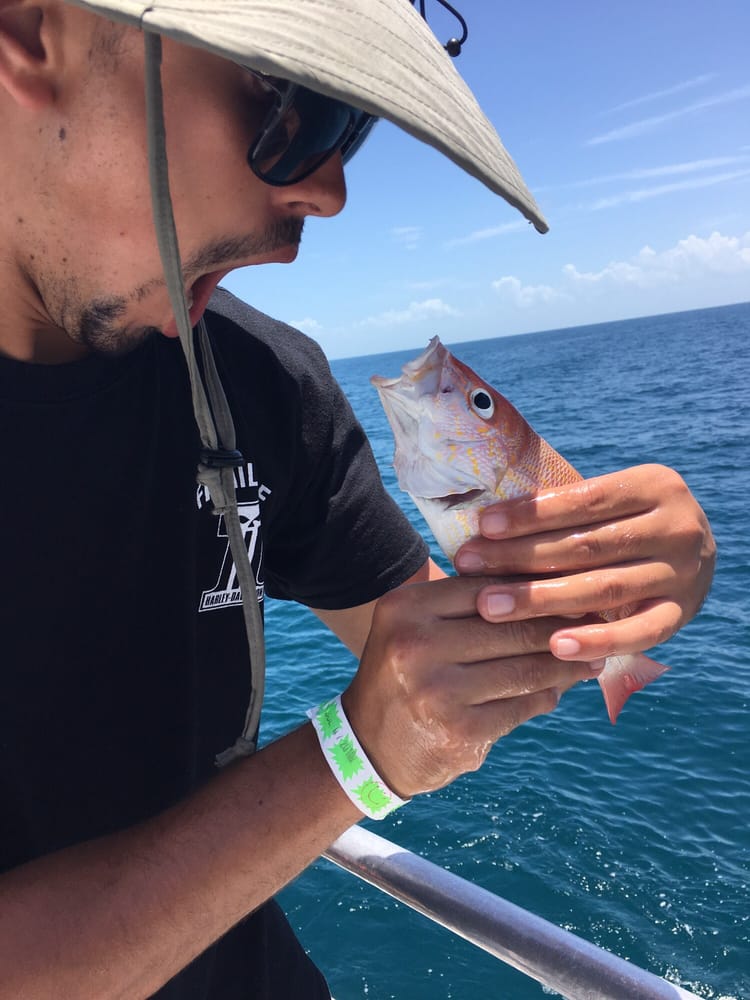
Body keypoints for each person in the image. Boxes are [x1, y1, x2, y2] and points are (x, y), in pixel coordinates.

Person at [0, 2, 716, 998]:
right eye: (300, 103)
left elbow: (433, 648)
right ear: (35, 31)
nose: (331, 189)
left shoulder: (262, 383)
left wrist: (610, 583)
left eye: (357, 122)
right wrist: (352, 755)